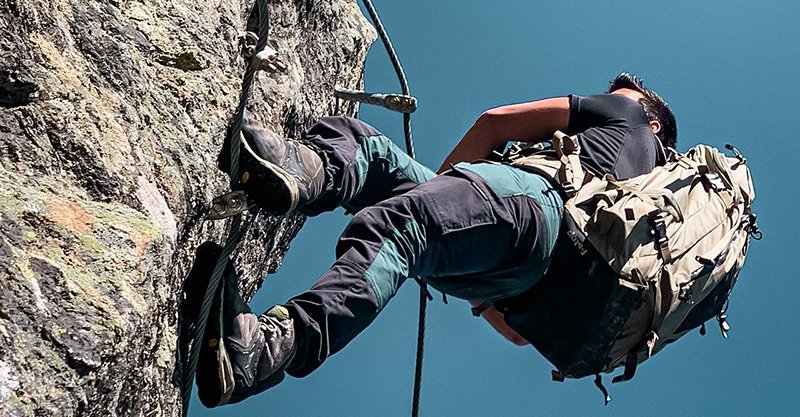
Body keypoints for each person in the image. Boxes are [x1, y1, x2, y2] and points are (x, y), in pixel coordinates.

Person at [197, 72, 677, 407]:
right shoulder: (643, 223)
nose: (610, 96)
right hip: (519, 277)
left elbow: (496, 122)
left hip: (534, 201)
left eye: (619, 94)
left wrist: (442, 198)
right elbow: (516, 334)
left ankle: (266, 351)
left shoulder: (629, 116)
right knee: (375, 153)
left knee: (402, 226)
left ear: (650, 120)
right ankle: (303, 171)